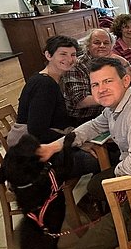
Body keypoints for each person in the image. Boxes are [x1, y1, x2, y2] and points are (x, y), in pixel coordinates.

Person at [38, 57, 131, 249]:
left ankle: (122, 221)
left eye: (108, 81)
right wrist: (53, 147)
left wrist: (118, 171)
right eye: (95, 84)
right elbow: (91, 127)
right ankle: (118, 218)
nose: (101, 89)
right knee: (93, 186)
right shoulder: (115, 107)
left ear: (125, 81)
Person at [17, 35, 99, 177]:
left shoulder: (55, 79)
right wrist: (76, 142)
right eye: (63, 54)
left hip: (51, 142)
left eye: (73, 55)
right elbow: (37, 131)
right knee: (101, 157)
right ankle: (101, 194)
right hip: (38, 154)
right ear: (48, 55)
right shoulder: (45, 85)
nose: (69, 59)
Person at [62, 29, 131, 124]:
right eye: (97, 43)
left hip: (109, 112)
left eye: (106, 43)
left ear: (111, 46)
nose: (102, 46)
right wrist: (116, 96)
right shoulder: (77, 65)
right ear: (88, 46)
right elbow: (81, 101)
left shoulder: (110, 61)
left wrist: (124, 62)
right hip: (84, 119)